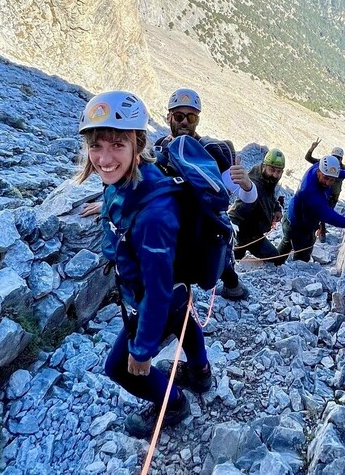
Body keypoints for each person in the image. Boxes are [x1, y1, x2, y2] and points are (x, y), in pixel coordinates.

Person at [76, 90, 211, 439]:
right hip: (178, 288)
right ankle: (200, 372)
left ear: (138, 143)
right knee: (184, 318)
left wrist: (143, 349)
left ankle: (174, 403)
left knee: (120, 368)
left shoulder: (154, 216)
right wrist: (105, 205)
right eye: (96, 146)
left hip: (159, 293)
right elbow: (120, 191)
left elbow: (157, 290)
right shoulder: (132, 177)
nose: (104, 159)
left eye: (117, 145)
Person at [155, 88, 257, 301]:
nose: (185, 122)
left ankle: (231, 287)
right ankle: (233, 288)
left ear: (197, 121)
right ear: (168, 117)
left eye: (191, 117)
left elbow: (246, 197)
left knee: (216, 259)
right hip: (174, 227)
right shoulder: (159, 149)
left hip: (204, 228)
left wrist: (247, 185)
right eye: (179, 116)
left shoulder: (211, 152)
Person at [277, 155, 345, 262]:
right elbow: (332, 218)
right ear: (319, 173)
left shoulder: (318, 167)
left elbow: (334, 172)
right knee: (302, 255)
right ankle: (292, 271)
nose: (328, 183)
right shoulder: (311, 192)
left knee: (287, 241)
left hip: (292, 217)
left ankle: (274, 264)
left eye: (332, 180)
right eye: (326, 178)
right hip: (300, 227)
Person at [228, 148, 286, 265]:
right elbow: (237, 211)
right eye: (272, 170)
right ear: (264, 166)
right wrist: (231, 232)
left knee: (275, 259)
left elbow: (271, 198)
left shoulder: (268, 181)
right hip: (243, 237)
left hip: (256, 236)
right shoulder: (254, 185)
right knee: (230, 262)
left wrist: (277, 209)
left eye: (278, 172)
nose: (275, 175)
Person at [305, 139, 345, 242]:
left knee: (328, 213)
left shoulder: (343, 168)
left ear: (341, 159)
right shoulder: (324, 165)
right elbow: (308, 158)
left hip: (333, 196)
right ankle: (321, 230)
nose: (336, 160)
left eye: (338, 158)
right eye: (334, 157)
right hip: (323, 193)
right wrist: (311, 149)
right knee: (322, 213)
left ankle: (320, 228)